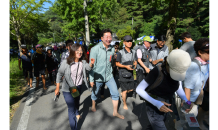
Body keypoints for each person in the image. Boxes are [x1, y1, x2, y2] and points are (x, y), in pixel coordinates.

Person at [136, 49, 192, 130]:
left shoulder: (179, 68)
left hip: (168, 102)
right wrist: (157, 103)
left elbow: (178, 86)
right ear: (167, 64)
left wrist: (186, 100)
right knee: (159, 125)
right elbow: (139, 89)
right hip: (154, 104)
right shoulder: (157, 71)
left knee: (156, 125)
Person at [55, 43, 95, 130]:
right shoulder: (66, 62)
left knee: (76, 101)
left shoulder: (83, 62)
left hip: (78, 87)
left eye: (81, 50)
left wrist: (91, 63)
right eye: (78, 50)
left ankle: (77, 112)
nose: (80, 52)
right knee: (71, 108)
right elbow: (59, 74)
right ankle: (74, 128)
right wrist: (57, 87)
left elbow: (88, 68)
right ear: (73, 51)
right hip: (67, 89)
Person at [174, 38, 210, 130]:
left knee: (188, 121)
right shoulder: (194, 65)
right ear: (200, 52)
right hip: (187, 99)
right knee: (188, 122)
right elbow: (187, 87)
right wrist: (187, 103)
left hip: (195, 98)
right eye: (208, 51)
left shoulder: (206, 63)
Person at [89, 28, 124, 119]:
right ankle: (93, 104)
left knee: (115, 93)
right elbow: (91, 66)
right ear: (102, 38)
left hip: (109, 76)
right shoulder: (95, 49)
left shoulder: (112, 49)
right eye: (106, 36)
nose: (109, 38)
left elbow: (111, 61)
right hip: (97, 76)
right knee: (95, 92)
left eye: (110, 36)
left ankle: (115, 112)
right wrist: (91, 79)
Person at [115, 35, 137, 110]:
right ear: (124, 42)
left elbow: (135, 61)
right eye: (127, 41)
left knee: (131, 89)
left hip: (130, 73)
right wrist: (126, 66)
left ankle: (123, 92)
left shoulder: (134, 52)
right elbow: (117, 64)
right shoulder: (120, 52)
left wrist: (135, 65)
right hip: (123, 73)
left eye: (130, 41)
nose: (129, 42)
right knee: (124, 91)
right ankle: (124, 103)